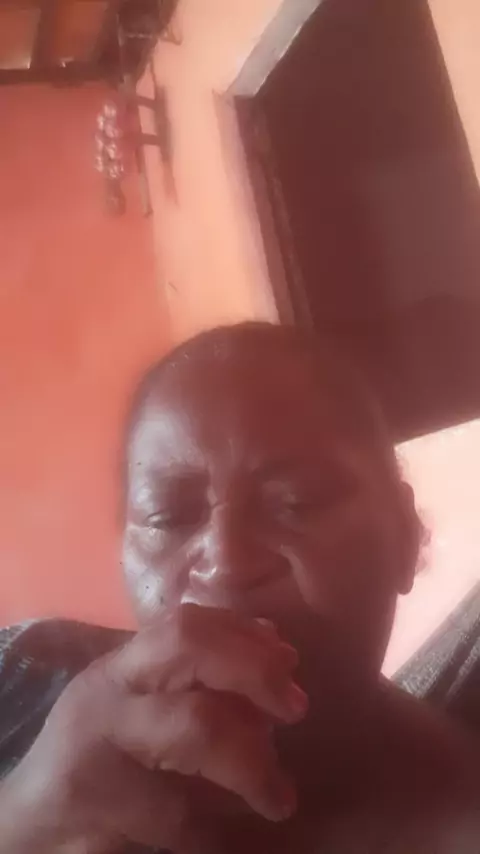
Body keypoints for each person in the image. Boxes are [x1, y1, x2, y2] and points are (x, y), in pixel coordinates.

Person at [0, 321, 479, 854]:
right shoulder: (24, 679)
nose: (226, 563)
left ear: (405, 538)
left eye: (297, 503)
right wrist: (24, 818)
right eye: (168, 516)